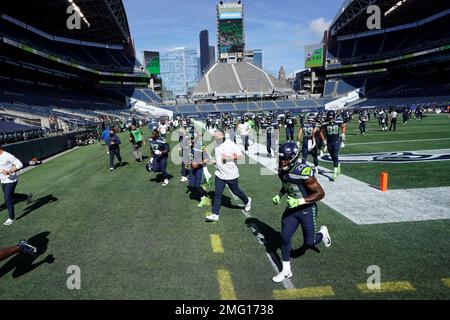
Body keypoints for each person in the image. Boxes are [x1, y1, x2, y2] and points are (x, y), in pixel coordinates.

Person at [271, 142, 330, 283]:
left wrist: (300, 201)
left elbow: (320, 194)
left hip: (307, 209)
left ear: (293, 158)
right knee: (285, 237)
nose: (282, 161)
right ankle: (286, 270)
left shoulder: (303, 171)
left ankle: (322, 234)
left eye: (285, 158)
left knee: (309, 242)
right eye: (281, 158)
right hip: (292, 209)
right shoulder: (282, 169)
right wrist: (279, 194)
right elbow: (287, 185)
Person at [206, 129, 251, 222]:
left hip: (231, 174)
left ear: (222, 135)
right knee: (217, 194)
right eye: (214, 136)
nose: (215, 137)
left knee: (236, 191)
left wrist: (228, 157)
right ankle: (215, 214)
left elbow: (241, 156)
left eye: (216, 136)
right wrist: (213, 161)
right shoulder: (217, 143)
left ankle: (247, 201)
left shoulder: (230, 144)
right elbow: (218, 158)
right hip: (219, 174)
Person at [0, 145, 33, 225]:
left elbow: (19, 164)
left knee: (7, 197)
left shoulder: (7, 155)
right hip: (3, 181)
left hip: (11, 180)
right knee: (11, 196)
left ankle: (11, 218)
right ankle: (27, 196)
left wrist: (10, 171)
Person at [320, 111, 346, 181]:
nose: (330, 119)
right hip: (329, 142)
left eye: (331, 117)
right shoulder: (325, 123)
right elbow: (321, 132)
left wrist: (343, 133)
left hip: (337, 141)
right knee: (332, 156)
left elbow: (343, 126)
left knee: (335, 155)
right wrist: (323, 140)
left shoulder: (338, 121)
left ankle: (334, 173)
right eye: (329, 118)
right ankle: (338, 164)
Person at [189, 134, 211, 208]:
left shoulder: (200, 146)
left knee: (197, 185)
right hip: (192, 168)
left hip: (199, 168)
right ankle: (203, 193)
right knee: (191, 185)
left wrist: (198, 163)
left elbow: (207, 158)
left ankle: (203, 198)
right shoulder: (189, 145)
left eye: (191, 138)